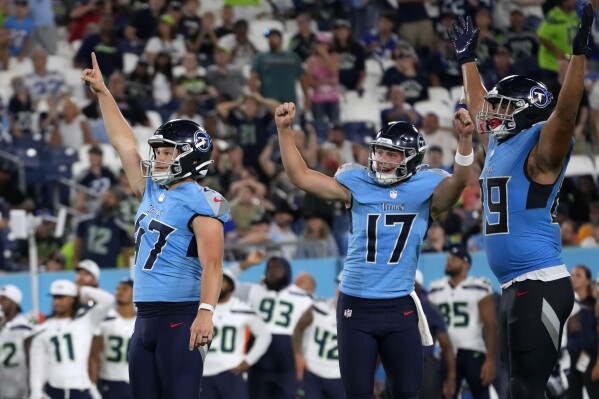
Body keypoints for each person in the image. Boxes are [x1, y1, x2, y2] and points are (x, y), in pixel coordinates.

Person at [274, 98, 474, 397]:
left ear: (411, 159)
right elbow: (300, 176)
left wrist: (465, 139)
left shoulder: (425, 188)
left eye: (392, 154)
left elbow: (459, 183)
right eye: (380, 151)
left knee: (407, 393)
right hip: (355, 304)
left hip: (399, 305)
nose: (382, 159)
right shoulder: (356, 181)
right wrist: (284, 130)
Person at [447, 6, 594, 397]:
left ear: (529, 111)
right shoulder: (500, 142)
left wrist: (579, 57)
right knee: (525, 388)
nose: (492, 113)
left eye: (503, 107)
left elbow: (564, 114)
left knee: (525, 390)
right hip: (517, 285)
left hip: (540, 281)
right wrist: (467, 60)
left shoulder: (541, 146)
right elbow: (478, 103)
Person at [81, 52, 230, 399]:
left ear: (190, 156)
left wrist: (206, 313)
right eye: (159, 151)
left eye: (167, 152)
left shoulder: (203, 202)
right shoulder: (150, 188)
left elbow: (213, 264)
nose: (159, 158)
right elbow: (123, 143)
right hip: (144, 316)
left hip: (180, 316)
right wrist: (103, 92)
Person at [228, 254, 314, 399]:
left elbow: (310, 329)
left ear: (286, 271)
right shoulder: (254, 290)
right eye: (269, 267)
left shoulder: (303, 297)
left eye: (277, 268)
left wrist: (304, 356)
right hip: (258, 361)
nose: (272, 271)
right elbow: (222, 280)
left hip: (286, 363)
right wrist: (246, 264)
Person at [427, 246, 497, 399]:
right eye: (448, 258)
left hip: (473, 350)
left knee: (482, 395)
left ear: (466, 264)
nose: (448, 261)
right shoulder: (435, 288)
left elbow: (491, 326)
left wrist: (490, 360)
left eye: (453, 259)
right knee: (445, 395)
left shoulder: (479, 286)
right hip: (444, 353)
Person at [29, 279, 114, 399]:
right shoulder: (43, 329)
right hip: (53, 389)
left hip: (80, 387)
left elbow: (108, 300)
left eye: (62, 297)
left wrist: (81, 290)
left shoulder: (86, 321)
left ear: (73, 298)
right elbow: (37, 366)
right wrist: (36, 393)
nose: (57, 302)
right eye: (55, 297)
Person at [201, 269, 272, 399]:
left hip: (231, 371)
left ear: (231, 285)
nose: (216, 284)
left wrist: (249, 360)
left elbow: (264, 336)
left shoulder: (243, 309)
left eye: (222, 281)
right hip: (203, 373)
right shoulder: (199, 309)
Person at [293, 273, 344, 399]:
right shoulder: (318, 307)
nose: (341, 290)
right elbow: (298, 328)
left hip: (340, 377)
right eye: (339, 285)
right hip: (312, 373)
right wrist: (298, 354)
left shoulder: (362, 318)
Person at [90, 278, 136, 399]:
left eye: (124, 289)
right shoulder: (105, 318)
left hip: (137, 380)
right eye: (117, 289)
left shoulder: (142, 320)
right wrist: (93, 385)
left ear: (135, 292)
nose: (119, 292)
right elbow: (94, 355)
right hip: (110, 379)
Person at [0, 285, 34, 399]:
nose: (0, 302)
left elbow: (32, 361)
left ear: (14, 302)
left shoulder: (24, 329)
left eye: (3, 298)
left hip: (19, 386)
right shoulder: (2, 327)